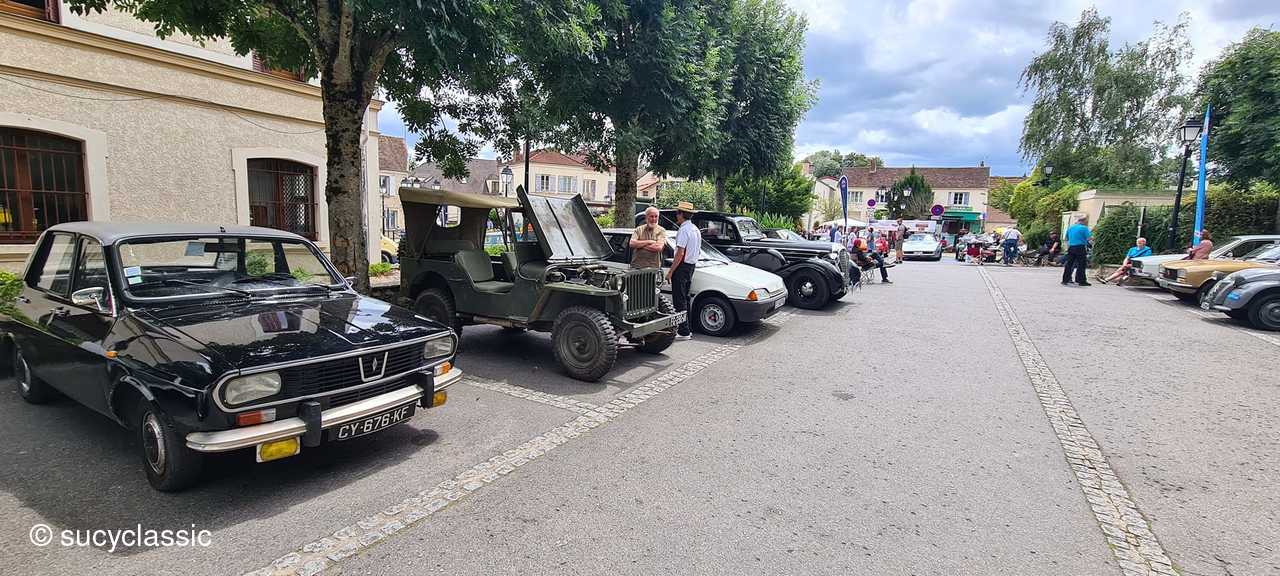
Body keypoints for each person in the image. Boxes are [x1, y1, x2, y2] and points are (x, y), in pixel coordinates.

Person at [666, 201, 701, 340]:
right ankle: (688, 328)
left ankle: (683, 331)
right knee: (685, 299)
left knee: (679, 300)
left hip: (682, 267)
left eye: (677, 213)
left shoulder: (684, 230)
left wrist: (670, 272)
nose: (676, 215)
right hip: (691, 266)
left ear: (681, 214)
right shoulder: (695, 229)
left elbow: (680, 253)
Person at [1062, 215, 1091, 286]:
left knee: (1069, 264)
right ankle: (1081, 281)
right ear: (1084, 221)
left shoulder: (1070, 228)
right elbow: (1089, 239)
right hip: (1080, 247)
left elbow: (1066, 238)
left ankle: (1065, 280)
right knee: (1081, 264)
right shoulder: (1084, 228)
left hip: (1071, 247)